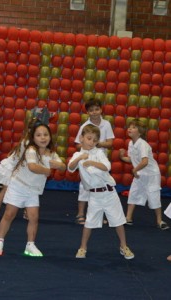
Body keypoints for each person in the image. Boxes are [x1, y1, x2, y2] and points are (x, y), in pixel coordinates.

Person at [0, 121, 66, 257]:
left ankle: (30, 245)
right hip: (18, 186)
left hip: (33, 190)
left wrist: (60, 166)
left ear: (50, 137)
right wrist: (47, 171)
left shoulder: (51, 153)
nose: (43, 138)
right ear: (33, 138)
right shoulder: (31, 150)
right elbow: (32, 167)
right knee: (9, 214)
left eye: (45, 135)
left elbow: (63, 166)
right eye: (38, 135)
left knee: (34, 217)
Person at [68, 124, 134, 259]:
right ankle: (82, 247)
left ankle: (123, 246)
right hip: (94, 196)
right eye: (89, 138)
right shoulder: (77, 154)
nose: (91, 142)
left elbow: (107, 166)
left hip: (109, 193)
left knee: (118, 221)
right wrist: (81, 158)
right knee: (89, 222)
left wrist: (92, 162)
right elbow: (70, 168)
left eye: (94, 140)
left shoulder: (99, 152)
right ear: (81, 138)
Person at [119, 118, 169, 230]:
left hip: (151, 175)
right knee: (133, 194)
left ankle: (159, 221)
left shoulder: (143, 144)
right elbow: (132, 159)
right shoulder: (131, 144)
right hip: (140, 173)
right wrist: (122, 157)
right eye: (130, 127)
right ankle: (128, 218)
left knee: (154, 197)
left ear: (140, 132)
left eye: (133, 127)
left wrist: (135, 170)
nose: (130, 129)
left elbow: (145, 161)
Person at [0, 113, 39, 220]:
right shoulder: (27, 142)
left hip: (22, 168)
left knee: (27, 188)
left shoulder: (33, 142)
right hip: (13, 166)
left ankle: (27, 210)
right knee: (6, 188)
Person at [74, 98, 114, 225]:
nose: (95, 112)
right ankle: (80, 213)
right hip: (87, 158)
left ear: (101, 110)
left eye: (97, 109)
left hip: (101, 159)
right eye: (91, 110)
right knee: (84, 186)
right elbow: (77, 144)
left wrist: (98, 144)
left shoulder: (106, 124)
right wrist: (88, 146)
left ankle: (99, 213)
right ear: (87, 112)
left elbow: (110, 143)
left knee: (101, 185)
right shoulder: (84, 126)